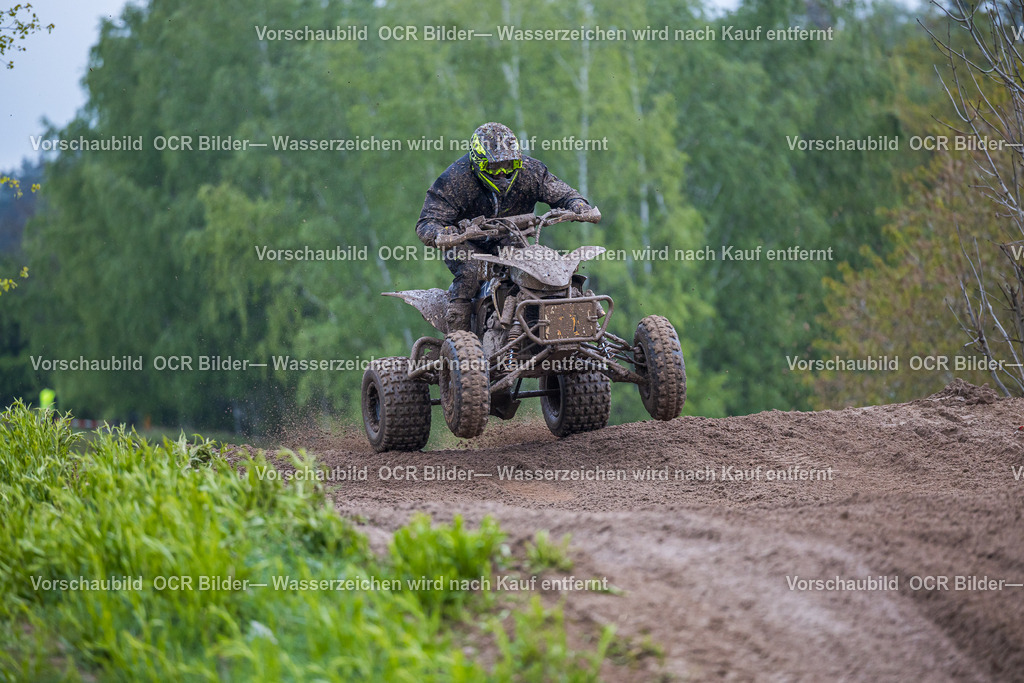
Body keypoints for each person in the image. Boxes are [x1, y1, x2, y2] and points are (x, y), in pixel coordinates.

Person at [416, 122, 595, 332]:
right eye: (494, 167)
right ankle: (460, 341)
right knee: (470, 272)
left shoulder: (531, 171)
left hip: (512, 238)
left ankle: (561, 328)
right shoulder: (456, 179)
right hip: (467, 242)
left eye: (508, 166)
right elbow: (428, 222)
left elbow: (563, 192)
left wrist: (578, 205)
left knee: (542, 269)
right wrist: (445, 234)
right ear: (478, 163)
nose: (502, 173)